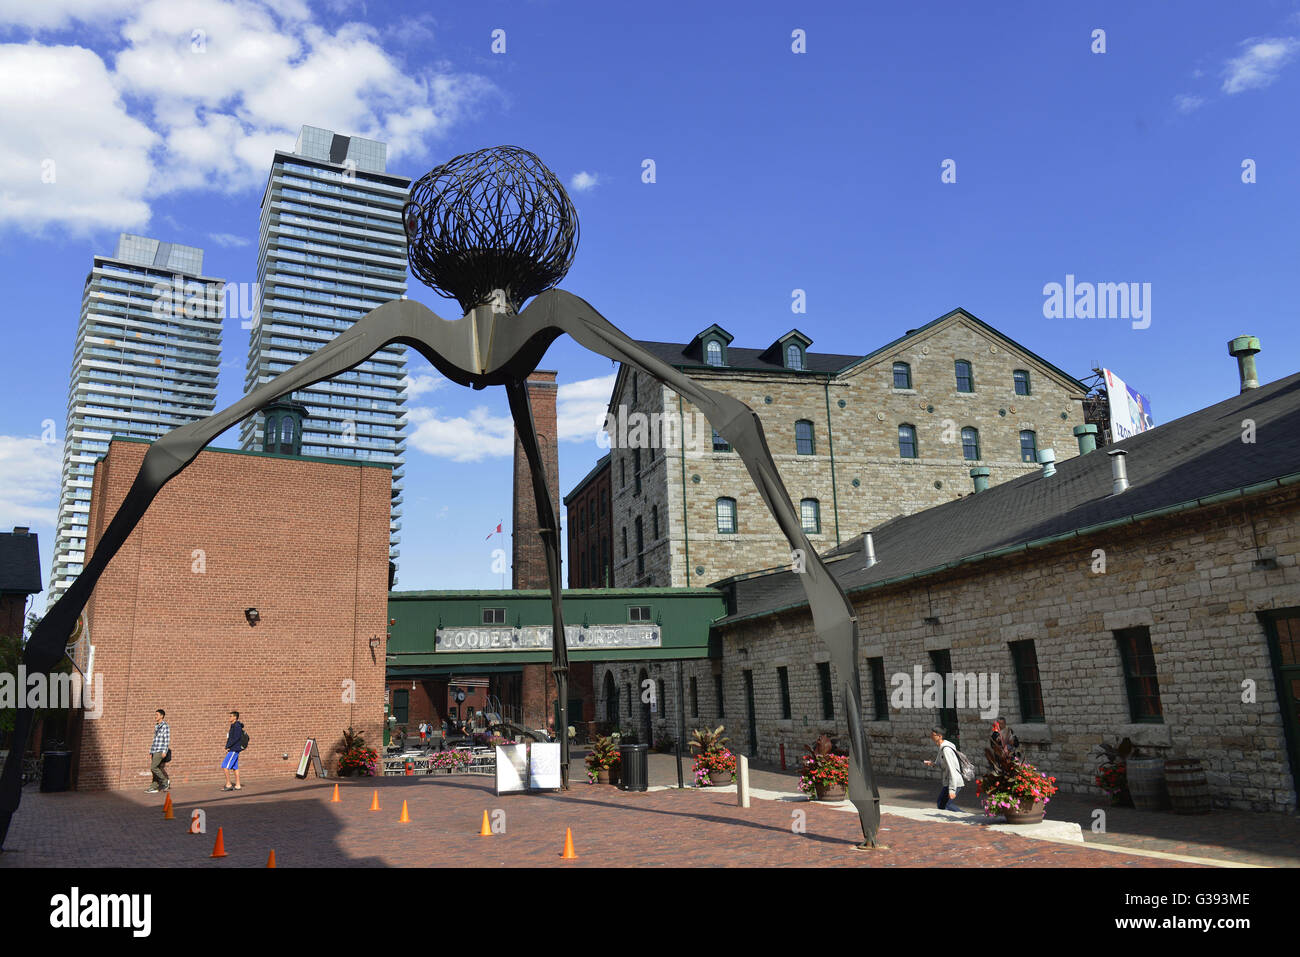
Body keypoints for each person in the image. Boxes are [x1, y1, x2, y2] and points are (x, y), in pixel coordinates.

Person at [922, 726, 962, 810]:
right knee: (942, 805)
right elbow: (943, 764)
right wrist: (933, 764)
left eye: (933, 735)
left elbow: (952, 770)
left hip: (953, 782)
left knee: (944, 805)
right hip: (949, 782)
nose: (931, 736)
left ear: (940, 736)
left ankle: (966, 817)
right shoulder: (942, 747)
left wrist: (952, 790)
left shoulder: (946, 749)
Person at [147, 709, 170, 793]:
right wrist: (151, 751)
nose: (155, 716)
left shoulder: (165, 726)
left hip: (160, 750)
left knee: (153, 767)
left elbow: (166, 739)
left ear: (162, 716)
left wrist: (164, 751)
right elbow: (155, 740)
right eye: (155, 714)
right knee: (156, 768)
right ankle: (154, 787)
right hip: (155, 750)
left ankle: (165, 781)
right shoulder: (157, 726)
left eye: (157, 715)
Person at [222, 711, 245, 791]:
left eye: (231, 716)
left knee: (224, 765)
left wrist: (228, 747)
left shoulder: (236, 726)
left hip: (234, 749)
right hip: (233, 749)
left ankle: (228, 784)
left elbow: (235, 738)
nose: (230, 718)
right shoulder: (234, 725)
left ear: (235, 717)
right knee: (235, 767)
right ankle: (238, 785)